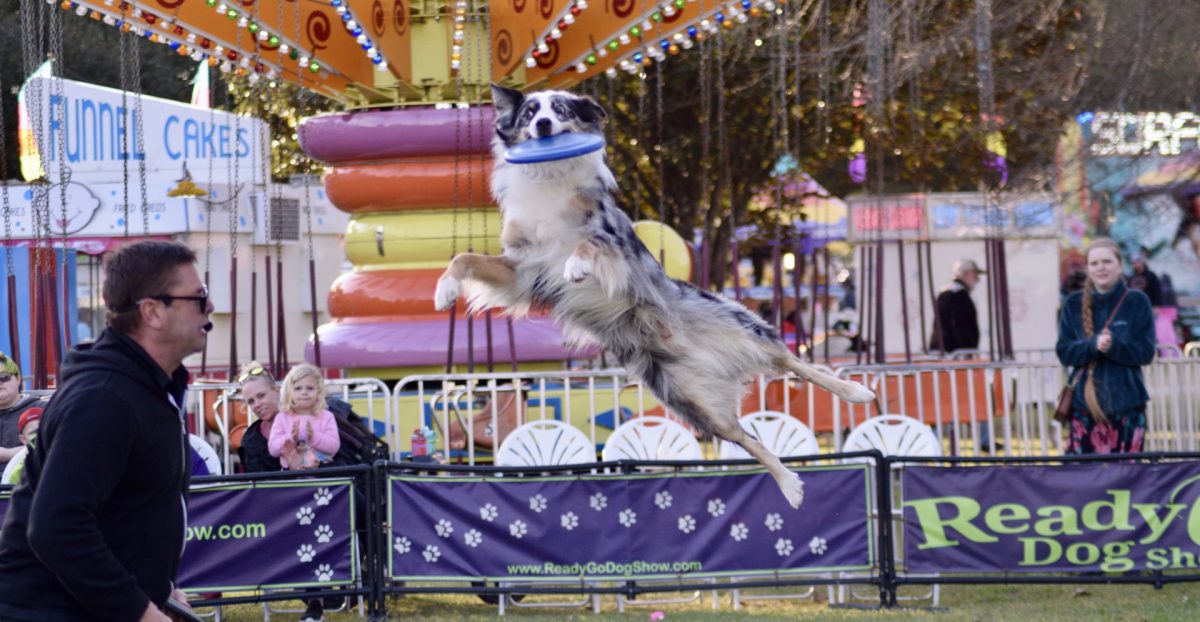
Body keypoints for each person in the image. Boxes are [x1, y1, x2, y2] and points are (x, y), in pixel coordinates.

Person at [0, 240, 211, 621]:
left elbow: (128, 508)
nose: (209, 309)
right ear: (152, 312)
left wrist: (158, 588)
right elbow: (56, 527)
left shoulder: (144, 386)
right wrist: (141, 612)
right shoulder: (104, 398)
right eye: (198, 297)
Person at [1056, 238, 1155, 454]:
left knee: (1128, 477)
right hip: (1083, 407)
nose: (1101, 268)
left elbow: (1146, 352)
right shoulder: (1072, 305)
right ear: (1088, 268)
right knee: (1082, 478)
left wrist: (1114, 347)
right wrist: (1093, 346)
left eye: (1107, 261)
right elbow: (1064, 352)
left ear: (1120, 266)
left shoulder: (1137, 302)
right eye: (1094, 263)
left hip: (1127, 405)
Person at [268, 364, 340, 471]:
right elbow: (273, 449)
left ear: (319, 391)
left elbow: (334, 447)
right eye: (298, 388)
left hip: (322, 473)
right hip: (290, 475)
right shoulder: (282, 418)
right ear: (289, 392)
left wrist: (314, 437)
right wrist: (290, 438)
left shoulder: (327, 416)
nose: (304, 392)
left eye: (310, 388)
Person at [0, 352, 46, 466]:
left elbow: (56, 446)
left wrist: (9, 454)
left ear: (18, 379)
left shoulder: (41, 409)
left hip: (27, 481)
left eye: (4, 377)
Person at [236, 362, 283, 474]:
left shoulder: (304, 423)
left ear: (277, 391)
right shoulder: (250, 441)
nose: (257, 405)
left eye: (261, 395)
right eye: (251, 401)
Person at [930, 259, 984, 354]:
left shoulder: (944, 293)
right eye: (975, 275)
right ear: (967, 274)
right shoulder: (959, 296)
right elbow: (961, 327)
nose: (977, 280)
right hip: (956, 355)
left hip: (940, 352)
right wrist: (968, 351)